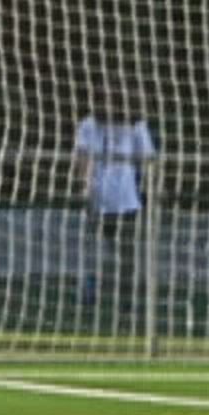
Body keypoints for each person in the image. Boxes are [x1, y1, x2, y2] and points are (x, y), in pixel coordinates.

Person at [71, 91, 155, 331]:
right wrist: (84, 188)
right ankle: (89, 293)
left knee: (127, 255)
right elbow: (82, 157)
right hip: (98, 200)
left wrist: (149, 188)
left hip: (127, 202)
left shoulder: (136, 126)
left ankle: (126, 303)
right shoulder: (89, 125)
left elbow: (149, 159)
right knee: (93, 251)